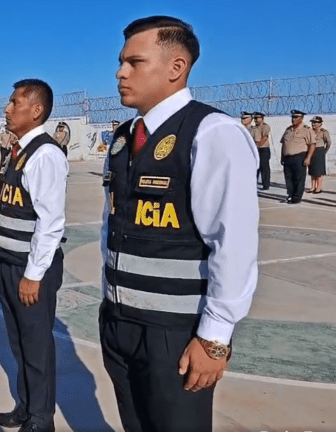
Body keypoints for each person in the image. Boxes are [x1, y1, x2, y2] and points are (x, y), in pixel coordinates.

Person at [101, 16, 259, 432]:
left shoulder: (211, 132)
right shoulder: (122, 138)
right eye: (121, 62)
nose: (120, 72)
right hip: (119, 321)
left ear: (176, 68)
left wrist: (215, 337)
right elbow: (114, 224)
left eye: (134, 62)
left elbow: (234, 242)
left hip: (175, 331)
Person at [0, 79, 67, 432]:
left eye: (14, 102)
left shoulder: (46, 154)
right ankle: (25, 407)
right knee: (19, 343)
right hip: (8, 262)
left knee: (36, 346)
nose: (7, 108)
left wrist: (33, 275)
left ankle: (41, 419)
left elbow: (50, 224)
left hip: (29, 268)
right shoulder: (19, 150)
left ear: (35, 111)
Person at [280, 110, 316, 204]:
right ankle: (290, 195)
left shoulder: (306, 130)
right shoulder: (288, 129)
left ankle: (297, 197)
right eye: (293, 117)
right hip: (287, 157)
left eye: (296, 117)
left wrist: (308, 158)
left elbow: (312, 145)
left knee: (298, 178)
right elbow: (284, 144)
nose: (293, 119)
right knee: (288, 178)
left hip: (299, 157)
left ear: (301, 118)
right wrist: (282, 157)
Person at [308, 116, 331, 193]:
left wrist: (324, 151)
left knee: (319, 171)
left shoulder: (323, 132)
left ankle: (319, 187)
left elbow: (328, 142)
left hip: (319, 150)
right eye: (313, 122)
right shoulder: (310, 131)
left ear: (320, 124)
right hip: (311, 150)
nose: (313, 124)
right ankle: (312, 187)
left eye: (315, 123)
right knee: (312, 170)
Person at [252, 112, 271, 190]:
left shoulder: (265, 127)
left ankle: (266, 185)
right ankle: (253, 183)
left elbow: (265, 137)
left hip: (263, 149)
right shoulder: (254, 128)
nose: (256, 120)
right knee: (256, 167)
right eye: (255, 118)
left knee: (264, 167)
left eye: (257, 118)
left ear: (262, 118)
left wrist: (258, 145)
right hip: (256, 149)